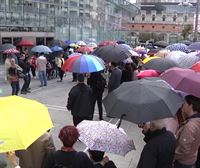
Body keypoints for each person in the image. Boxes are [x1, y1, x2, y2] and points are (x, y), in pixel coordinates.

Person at [174, 95, 200, 168]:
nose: (182, 106)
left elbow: (183, 149)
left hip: (182, 163)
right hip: (191, 159)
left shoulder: (190, 126)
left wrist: (172, 158)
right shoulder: (197, 121)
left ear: (190, 105)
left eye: (184, 103)